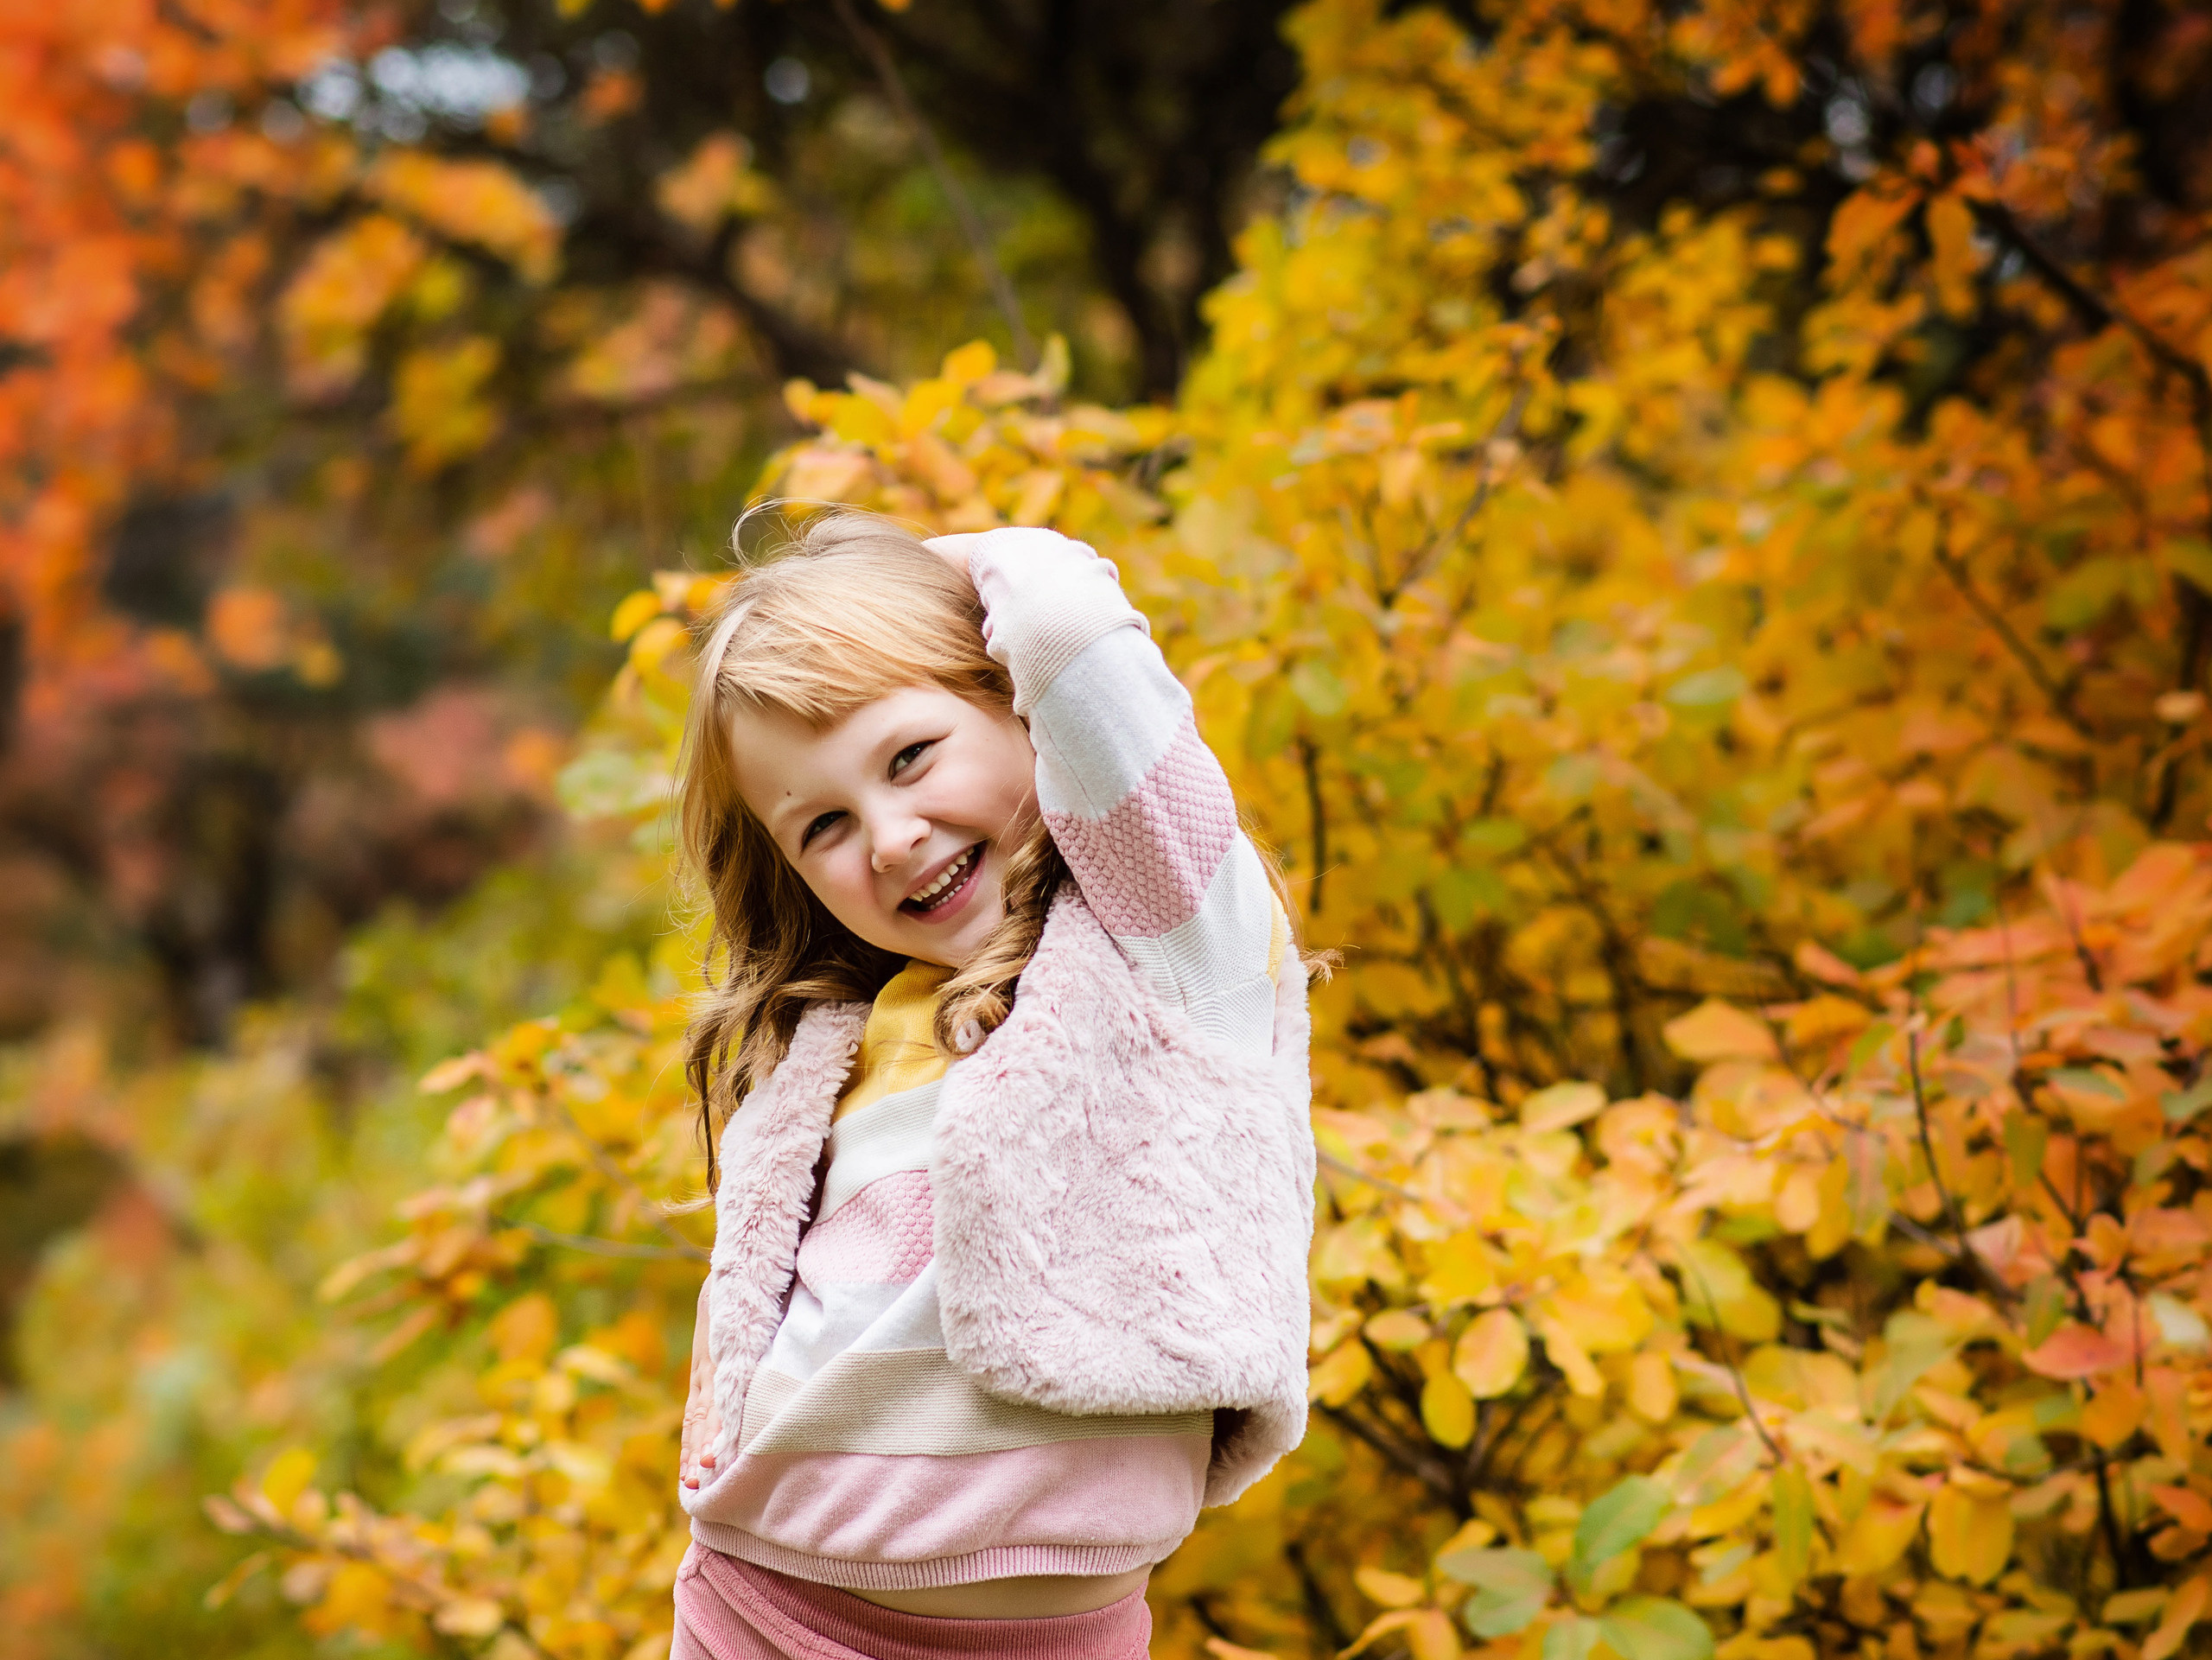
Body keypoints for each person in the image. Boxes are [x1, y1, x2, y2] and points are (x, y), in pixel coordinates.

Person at [669, 510, 1316, 1660]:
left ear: (1018, 704)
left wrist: (928, 567)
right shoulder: (850, 1042)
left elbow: (1067, 624)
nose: (888, 836)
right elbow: (767, 1293)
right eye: (823, 825)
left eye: (910, 756)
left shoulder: (1170, 947)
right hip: (764, 1613)